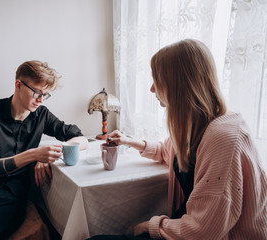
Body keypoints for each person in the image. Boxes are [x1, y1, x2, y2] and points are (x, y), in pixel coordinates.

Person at [88, 39, 267, 240]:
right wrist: (128, 141)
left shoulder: (223, 137)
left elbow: (203, 230)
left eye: (157, 80)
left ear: (178, 84)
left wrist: (152, 225)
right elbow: (168, 151)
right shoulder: (198, 124)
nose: (151, 88)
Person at [0, 60, 88, 240]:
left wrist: (46, 155)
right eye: (37, 92)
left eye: (46, 95)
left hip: (12, 194)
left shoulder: (42, 115)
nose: (41, 100)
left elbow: (81, 138)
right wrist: (34, 154)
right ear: (18, 85)